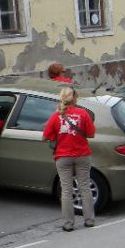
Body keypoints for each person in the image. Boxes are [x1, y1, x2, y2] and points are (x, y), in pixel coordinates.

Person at [42, 87, 96, 231]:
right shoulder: (83, 114)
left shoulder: (55, 116)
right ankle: (89, 220)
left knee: (66, 190)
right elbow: (91, 134)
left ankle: (68, 224)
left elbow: (45, 136)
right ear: (75, 98)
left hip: (63, 156)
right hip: (82, 155)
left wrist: (57, 136)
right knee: (84, 187)